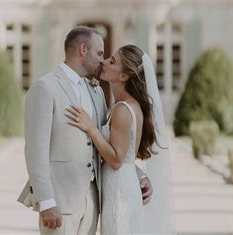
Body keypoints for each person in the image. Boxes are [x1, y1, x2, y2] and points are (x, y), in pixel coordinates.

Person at [17, 26, 153, 235]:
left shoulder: (97, 91)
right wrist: (45, 201)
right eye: (99, 53)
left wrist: (138, 175)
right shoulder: (45, 88)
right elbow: (35, 151)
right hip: (60, 203)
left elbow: (106, 143)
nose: (102, 60)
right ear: (83, 50)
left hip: (94, 203)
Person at [66, 44, 174, 234]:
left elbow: (116, 160)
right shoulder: (126, 106)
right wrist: (141, 176)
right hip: (121, 185)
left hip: (119, 193)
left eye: (112, 61)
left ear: (124, 76)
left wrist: (91, 128)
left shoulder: (123, 110)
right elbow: (127, 156)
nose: (104, 62)